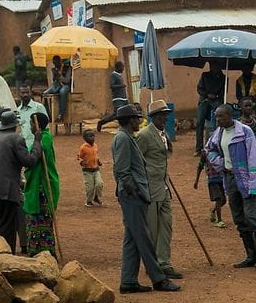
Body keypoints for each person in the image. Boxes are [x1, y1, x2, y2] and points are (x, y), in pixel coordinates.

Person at [112, 104, 181, 292]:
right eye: (136, 118)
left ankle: (128, 281)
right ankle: (159, 279)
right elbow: (122, 171)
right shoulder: (124, 139)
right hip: (133, 196)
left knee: (132, 240)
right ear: (129, 120)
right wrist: (135, 192)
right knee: (144, 238)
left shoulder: (127, 137)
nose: (139, 121)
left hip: (137, 193)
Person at [204, 104, 256, 270]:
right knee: (239, 219)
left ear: (230, 116)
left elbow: (255, 157)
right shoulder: (218, 133)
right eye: (217, 116)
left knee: (251, 217)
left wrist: (255, 184)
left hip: (246, 179)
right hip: (229, 178)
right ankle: (251, 255)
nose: (218, 119)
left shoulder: (244, 132)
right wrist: (221, 164)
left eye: (221, 116)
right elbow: (208, 149)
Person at [0, 110, 43, 253]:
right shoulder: (16, 138)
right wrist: (37, 143)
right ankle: (6, 259)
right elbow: (29, 161)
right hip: (6, 191)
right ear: (14, 126)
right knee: (7, 228)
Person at [137, 100, 182, 279]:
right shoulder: (144, 135)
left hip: (164, 187)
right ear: (153, 117)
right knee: (152, 230)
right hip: (150, 189)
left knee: (166, 226)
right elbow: (137, 162)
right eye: (162, 115)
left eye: (166, 114)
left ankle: (165, 262)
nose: (165, 118)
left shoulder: (164, 135)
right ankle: (153, 264)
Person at [24, 112, 60, 257]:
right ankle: (37, 250)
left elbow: (35, 155)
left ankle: (45, 251)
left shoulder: (44, 138)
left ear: (37, 125)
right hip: (37, 184)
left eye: (32, 123)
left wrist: (37, 141)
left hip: (43, 186)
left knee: (41, 219)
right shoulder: (41, 137)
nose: (30, 126)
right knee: (37, 220)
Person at [195, 62, 225, 154]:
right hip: (205, 99)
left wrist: (215, 96)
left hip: (216, 100)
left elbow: (223, 92)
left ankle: (216, 144)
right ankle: (198, 148)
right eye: (213, 66)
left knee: (220, 119)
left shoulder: (224, 78)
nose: (214, 67)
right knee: (200, 121)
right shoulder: (205, 75)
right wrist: (207, 95)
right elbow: (199, 89)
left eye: (216, 65)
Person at [97, 61, 129, 131]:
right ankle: (101, 122)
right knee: (117, 114)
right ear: (117, 67)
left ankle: (124, 127)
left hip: (124, 98)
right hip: (117, 99)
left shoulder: (119, 75)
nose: (123, 69)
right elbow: (112, 86)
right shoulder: (113, 75)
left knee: (126, 113)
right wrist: (121, 86)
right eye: (122, 67)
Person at [16, 84, 48, 149]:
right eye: (23, 93)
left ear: (31, 93)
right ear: (19, 94)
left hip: (37, 144)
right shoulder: (18, 110)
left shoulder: (39, 107)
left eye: (27, 92)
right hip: (25, 146)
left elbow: (46, 127)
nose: (25, 95)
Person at [77, 130, 104, 207]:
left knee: (100, 184)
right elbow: (79, 157)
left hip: (96, 169)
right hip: (87, 170)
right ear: (85, 138)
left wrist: (98, 162)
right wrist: (82, 162)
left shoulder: (95, 145)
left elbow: (96, 155)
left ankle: (96, 197)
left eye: (93, 136)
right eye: (90, 136)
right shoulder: (83, 148)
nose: (92, 138)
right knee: (90, 187)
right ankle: (89, 201)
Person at [43, 56, 72, 121]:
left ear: (60, 61)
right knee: (44, 93)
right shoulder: (54, 69)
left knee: (63, 91)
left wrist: (59, 75)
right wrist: (54, 75)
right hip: (57, 85)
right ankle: (48, 114)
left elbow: (67, 80)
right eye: (53, 63)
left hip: (66, 85)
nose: (55, 64)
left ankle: (61, 114)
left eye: (56, 63)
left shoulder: (67, 68)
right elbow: (53, 82)